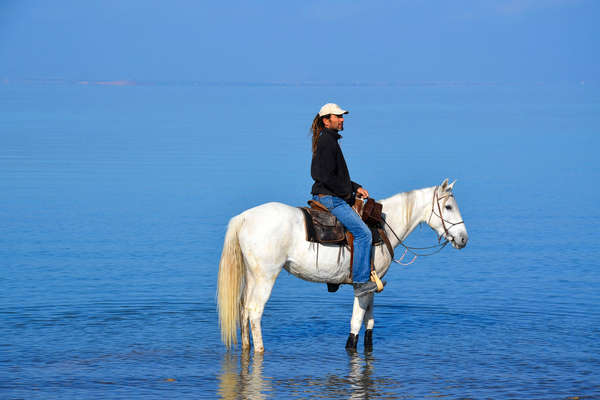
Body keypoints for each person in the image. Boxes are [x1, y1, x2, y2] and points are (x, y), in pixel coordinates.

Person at [310, 103, 383, 297]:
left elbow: (336, 175)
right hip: (330, 198)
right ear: (327, 120)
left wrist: (355, 187)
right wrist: (348, 194)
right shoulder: (327, 142)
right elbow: (320, 175)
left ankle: (334, 276)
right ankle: (360, 282)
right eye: (338, 117)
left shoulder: (329, 140)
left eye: (342, 117)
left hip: (331, 194)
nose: (342, 120)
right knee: (363, 234)